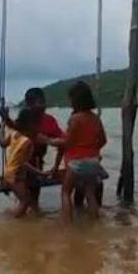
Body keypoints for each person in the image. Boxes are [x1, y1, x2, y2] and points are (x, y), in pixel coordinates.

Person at [53, 81, 108, 223]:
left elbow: (68, 143)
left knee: (65, 192)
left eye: (71, 98)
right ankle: (94, 224)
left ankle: (67, 225)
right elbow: (103, 140)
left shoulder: (75, 119)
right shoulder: (95, 118)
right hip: (94, 161)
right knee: (90, 194)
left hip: (77, 162)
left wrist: (49, 141)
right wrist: (92, 150)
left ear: (75, 100)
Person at [1, 88, 64, 210]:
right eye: (38, 103)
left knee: (32, 200)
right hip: (20, 166)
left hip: (36, 163)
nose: (42, 106)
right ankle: (25, 222)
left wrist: (55, 167)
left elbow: (62, 144)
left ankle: (30, 222)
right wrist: (6, 120)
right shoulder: (26, 120)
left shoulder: (49, 121)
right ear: (29, 105)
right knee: (25, 201)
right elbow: (15, 128)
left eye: (43, 102)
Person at [0, 108, 48, 218]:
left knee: (28, 200)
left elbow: (2, 143)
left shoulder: (14, 134)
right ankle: (13, 223)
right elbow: (24, 164)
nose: (38, 128)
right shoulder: (28, 143)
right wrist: (40, 172)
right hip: (16, 176)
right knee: (25, 202)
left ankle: (25, 221)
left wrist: (2, 129)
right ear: (31, 125)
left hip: (10, 173)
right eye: (37, 125)